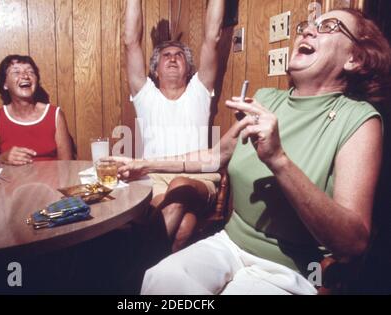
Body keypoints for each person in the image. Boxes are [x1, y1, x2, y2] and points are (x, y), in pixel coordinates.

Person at [114, 9, 391, 294]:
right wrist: (142, 164)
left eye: (329, 26)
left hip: (296, 268)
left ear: (353, 59)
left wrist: (278, 160)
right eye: (308, 25)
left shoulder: (358, 119)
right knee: (161, 279)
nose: (308, 31)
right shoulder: (266, 99)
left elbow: (353, 243)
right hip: (229, 244)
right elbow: (214, 156)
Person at [124, 0, 225, 252]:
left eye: (178, 55)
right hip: (155, 179)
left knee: (180, 184)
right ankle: (160, 279)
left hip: (198, 178)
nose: (172, 59)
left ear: (189, 68)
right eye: (165, 56)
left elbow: (212, 37)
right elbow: (130, 42)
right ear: (155, 70)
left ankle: (139, 270)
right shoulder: (145, 94)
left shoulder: (199, 90)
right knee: (183, 227)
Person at [0, 55, 73, 166]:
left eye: (31, 72)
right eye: (16, 72)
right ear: (5, 84)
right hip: (12, 182)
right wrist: (1, 159)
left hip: (51, 182)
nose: (25, 76)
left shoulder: (55, 115)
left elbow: (67, 165)